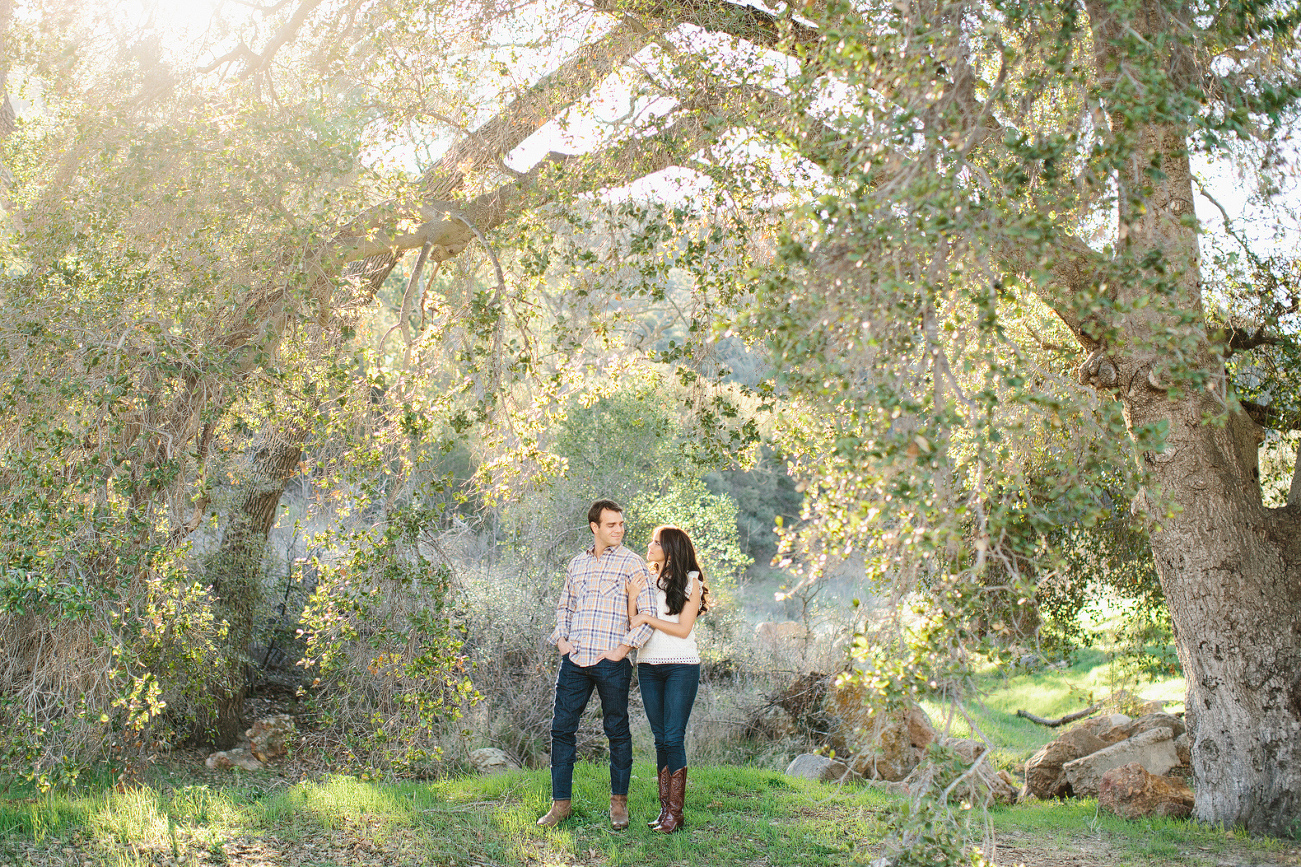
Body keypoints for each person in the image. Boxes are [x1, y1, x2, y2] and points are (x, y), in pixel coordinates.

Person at [538, 499, 657, 831]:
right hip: (575, 660)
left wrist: (622, 650)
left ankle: (618, 804)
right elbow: (566, 606)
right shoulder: (577, 564)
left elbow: (648, 617)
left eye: (620, 524)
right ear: (595, 527)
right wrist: (562, 641)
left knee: (617, 732)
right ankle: (560, 804)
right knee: (561, 730)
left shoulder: (633, 564)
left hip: (611, 662)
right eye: (611, 525)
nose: (618, 529)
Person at [626, 524, 709, 834]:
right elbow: (632, 619)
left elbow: (683, 629)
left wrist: (649, 617)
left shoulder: (691, 582)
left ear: (671, 549)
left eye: (656, 542)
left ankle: (676, 812)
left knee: (673, 736)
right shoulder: (647, 580)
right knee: (660, 738)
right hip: (648, 666)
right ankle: (664, 811)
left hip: (681, 667)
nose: (650, 546)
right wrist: (635, 600)